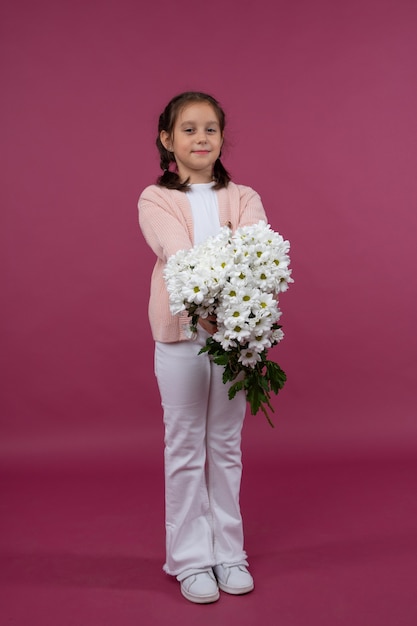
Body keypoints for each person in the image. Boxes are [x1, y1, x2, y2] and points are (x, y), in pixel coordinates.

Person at [138, 91, 268, 604]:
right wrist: (212, 304)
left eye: (210, 129)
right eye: (188, 129)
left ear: (221, 137)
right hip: (181, 338)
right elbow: (180, 255)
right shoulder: (157, 199)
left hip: (235, 338)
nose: (200, 138)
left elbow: (256, 253)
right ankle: (191, 559)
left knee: (227, 446)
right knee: (186, 446)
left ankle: (228, 552)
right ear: (168, 140)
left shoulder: (244, 197)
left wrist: (234, 318)